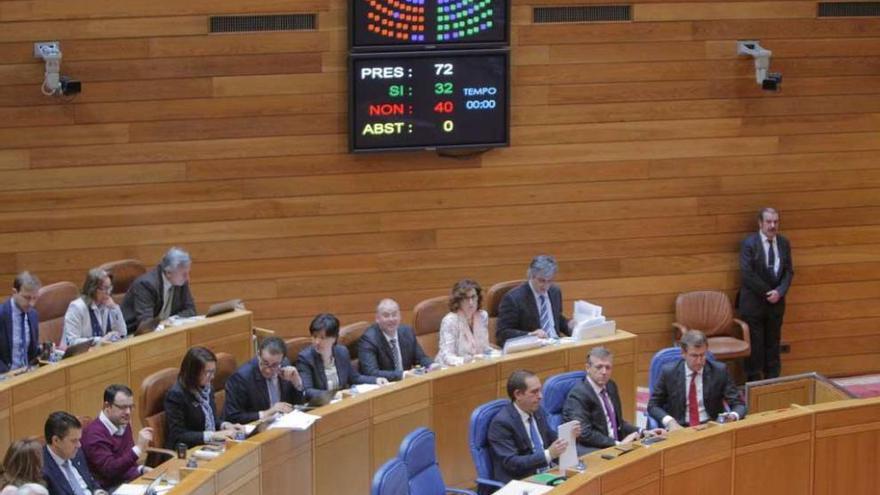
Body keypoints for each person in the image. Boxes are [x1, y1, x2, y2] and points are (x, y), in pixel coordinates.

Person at [562, 347, 664, 455]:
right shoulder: (578, 395)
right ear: (588, 368)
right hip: (595, 451)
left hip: (614, 446)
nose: (604, 372)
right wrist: (618, 445)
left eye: (608, 367)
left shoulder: (610, 386)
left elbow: (618, 423)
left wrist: (643, 432)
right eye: (599, 367)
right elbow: (585, 434)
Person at [487, 370, 578, 484]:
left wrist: (569, 435)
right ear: (518, 394)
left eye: (540, 390)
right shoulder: (502, 424)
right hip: (522, 481)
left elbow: (551, 438)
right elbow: (512, 463)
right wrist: (549, 454)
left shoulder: (537, 410)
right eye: (534, 392)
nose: (540, 396)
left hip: (548, 474)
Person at [648, 330, 747, 430]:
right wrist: (669, 421)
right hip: (680, 428)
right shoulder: (669, 372)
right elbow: (653, 405)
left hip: (711, 426)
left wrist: (733, 416)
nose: (699, 361)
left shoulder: (719, 371)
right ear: (683, 353)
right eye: (694, 356)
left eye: (703, 355)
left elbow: (739, 404)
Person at [738, 207, 794, 382]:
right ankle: (754, 383)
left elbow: (788, 272)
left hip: (776, 304)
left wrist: (780, 291)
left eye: (776, 222)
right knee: (755, 345)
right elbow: (747, 274)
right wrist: (767, 292)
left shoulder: (784, 243)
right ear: (760, 223)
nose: (772, 226)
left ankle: (773, 380)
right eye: (769, 222)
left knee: (773, 344)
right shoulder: (749, 243)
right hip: (754, 303)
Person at [296, 313, 387, 401]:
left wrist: (376, 380)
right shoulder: (305, 358)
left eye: (322, 338)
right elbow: (308, 391)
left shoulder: (341, 352)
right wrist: (333, 395)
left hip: (341, 403)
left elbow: (354, 378)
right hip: (321, 407)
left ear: (334, 338)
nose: (317, 342)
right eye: (314, 336)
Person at [164, 346, 242, 449]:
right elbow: (179, 435)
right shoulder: (176, 395)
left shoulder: (207, 388)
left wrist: (225, 425)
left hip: (209, 444)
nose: (212, 376)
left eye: (213, 371)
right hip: (187, 450)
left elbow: (212, 420)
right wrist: (213, 435)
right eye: (207, 372)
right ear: (193, 372)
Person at [80, 385, 152, 490]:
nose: (128, 412)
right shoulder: (94, 435)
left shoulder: (122, 422)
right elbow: (111, 471)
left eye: (130, 407)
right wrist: (138, 449)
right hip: (110, 488)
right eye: (123, 407)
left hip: (129, 482)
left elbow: (126, 461)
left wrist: (141, 469)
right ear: (107, 406)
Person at [223, 337, 304, 424]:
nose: (268, 370)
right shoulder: (241, 378)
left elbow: (298, 404)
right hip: (257, 430)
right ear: (258, 355)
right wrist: (268, 412)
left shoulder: (285, 367)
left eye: (275, 365)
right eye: (265, 363)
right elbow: (232, 417)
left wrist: (297, 382)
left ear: (282, 360)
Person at [496, 255, 571, 348]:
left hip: (556, 346)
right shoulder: (513, 299)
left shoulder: (554, 291)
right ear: (531, 275)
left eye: (550, 281)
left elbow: (556, 319)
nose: (546, 286)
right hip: (533, 350)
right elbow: (502, 334)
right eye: (541, 281)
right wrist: (530, 335)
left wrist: (572, 326)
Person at [121, 247, 196, 334]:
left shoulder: (181, 282)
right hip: (133, 334)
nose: (187, 278)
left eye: (188, 273)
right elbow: (145, 323)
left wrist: (171, 320)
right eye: (184, 274)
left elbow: (191, 310)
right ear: (168, 273)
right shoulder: (146, 285)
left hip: (163, 331)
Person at [358, 299, 434, 381]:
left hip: (407, 383)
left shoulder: (407, 332)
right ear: (377, 318)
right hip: (385, 387)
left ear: (400, 316)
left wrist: (431, 365)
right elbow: (371, 372)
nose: (391, 319)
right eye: (386, 316)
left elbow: (421, 358)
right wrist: (403, 375)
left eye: (394, 315)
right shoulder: (369, 339)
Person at [41, 411, 107, 495]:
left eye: (79, 439)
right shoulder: (42, 470)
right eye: (74, 441)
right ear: (56, 441)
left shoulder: (75, 452)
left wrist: (99, 492)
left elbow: (90, 480)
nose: (79, 445)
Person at [435, 279, 494, 366]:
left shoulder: (482, 316)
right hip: (450, 369)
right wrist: (464, 361)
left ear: (478, 297)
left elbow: (485, 348)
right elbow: (447, 356)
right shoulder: (450, 321)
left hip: (476, 366)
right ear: (458, 301)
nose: (471, 303)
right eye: (466, 298)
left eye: (473, 297)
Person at [62, 269, 126, 348]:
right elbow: (71, 342)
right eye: (105, 289)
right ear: (93, 289)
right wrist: (98, 340)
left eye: (109, 288)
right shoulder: (77, 307)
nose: (108, 293)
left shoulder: (107, 305)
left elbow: (122, 334)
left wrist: (115, 308)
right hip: (76, 356)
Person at [0, 273, 41, 373]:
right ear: (14, 292)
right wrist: (8, 373)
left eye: (34, 298)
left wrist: (44, 350)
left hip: (27, 374)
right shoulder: (1, 315)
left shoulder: (33, 315)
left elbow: (32, 352)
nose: (31, 303)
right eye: (27, 298)